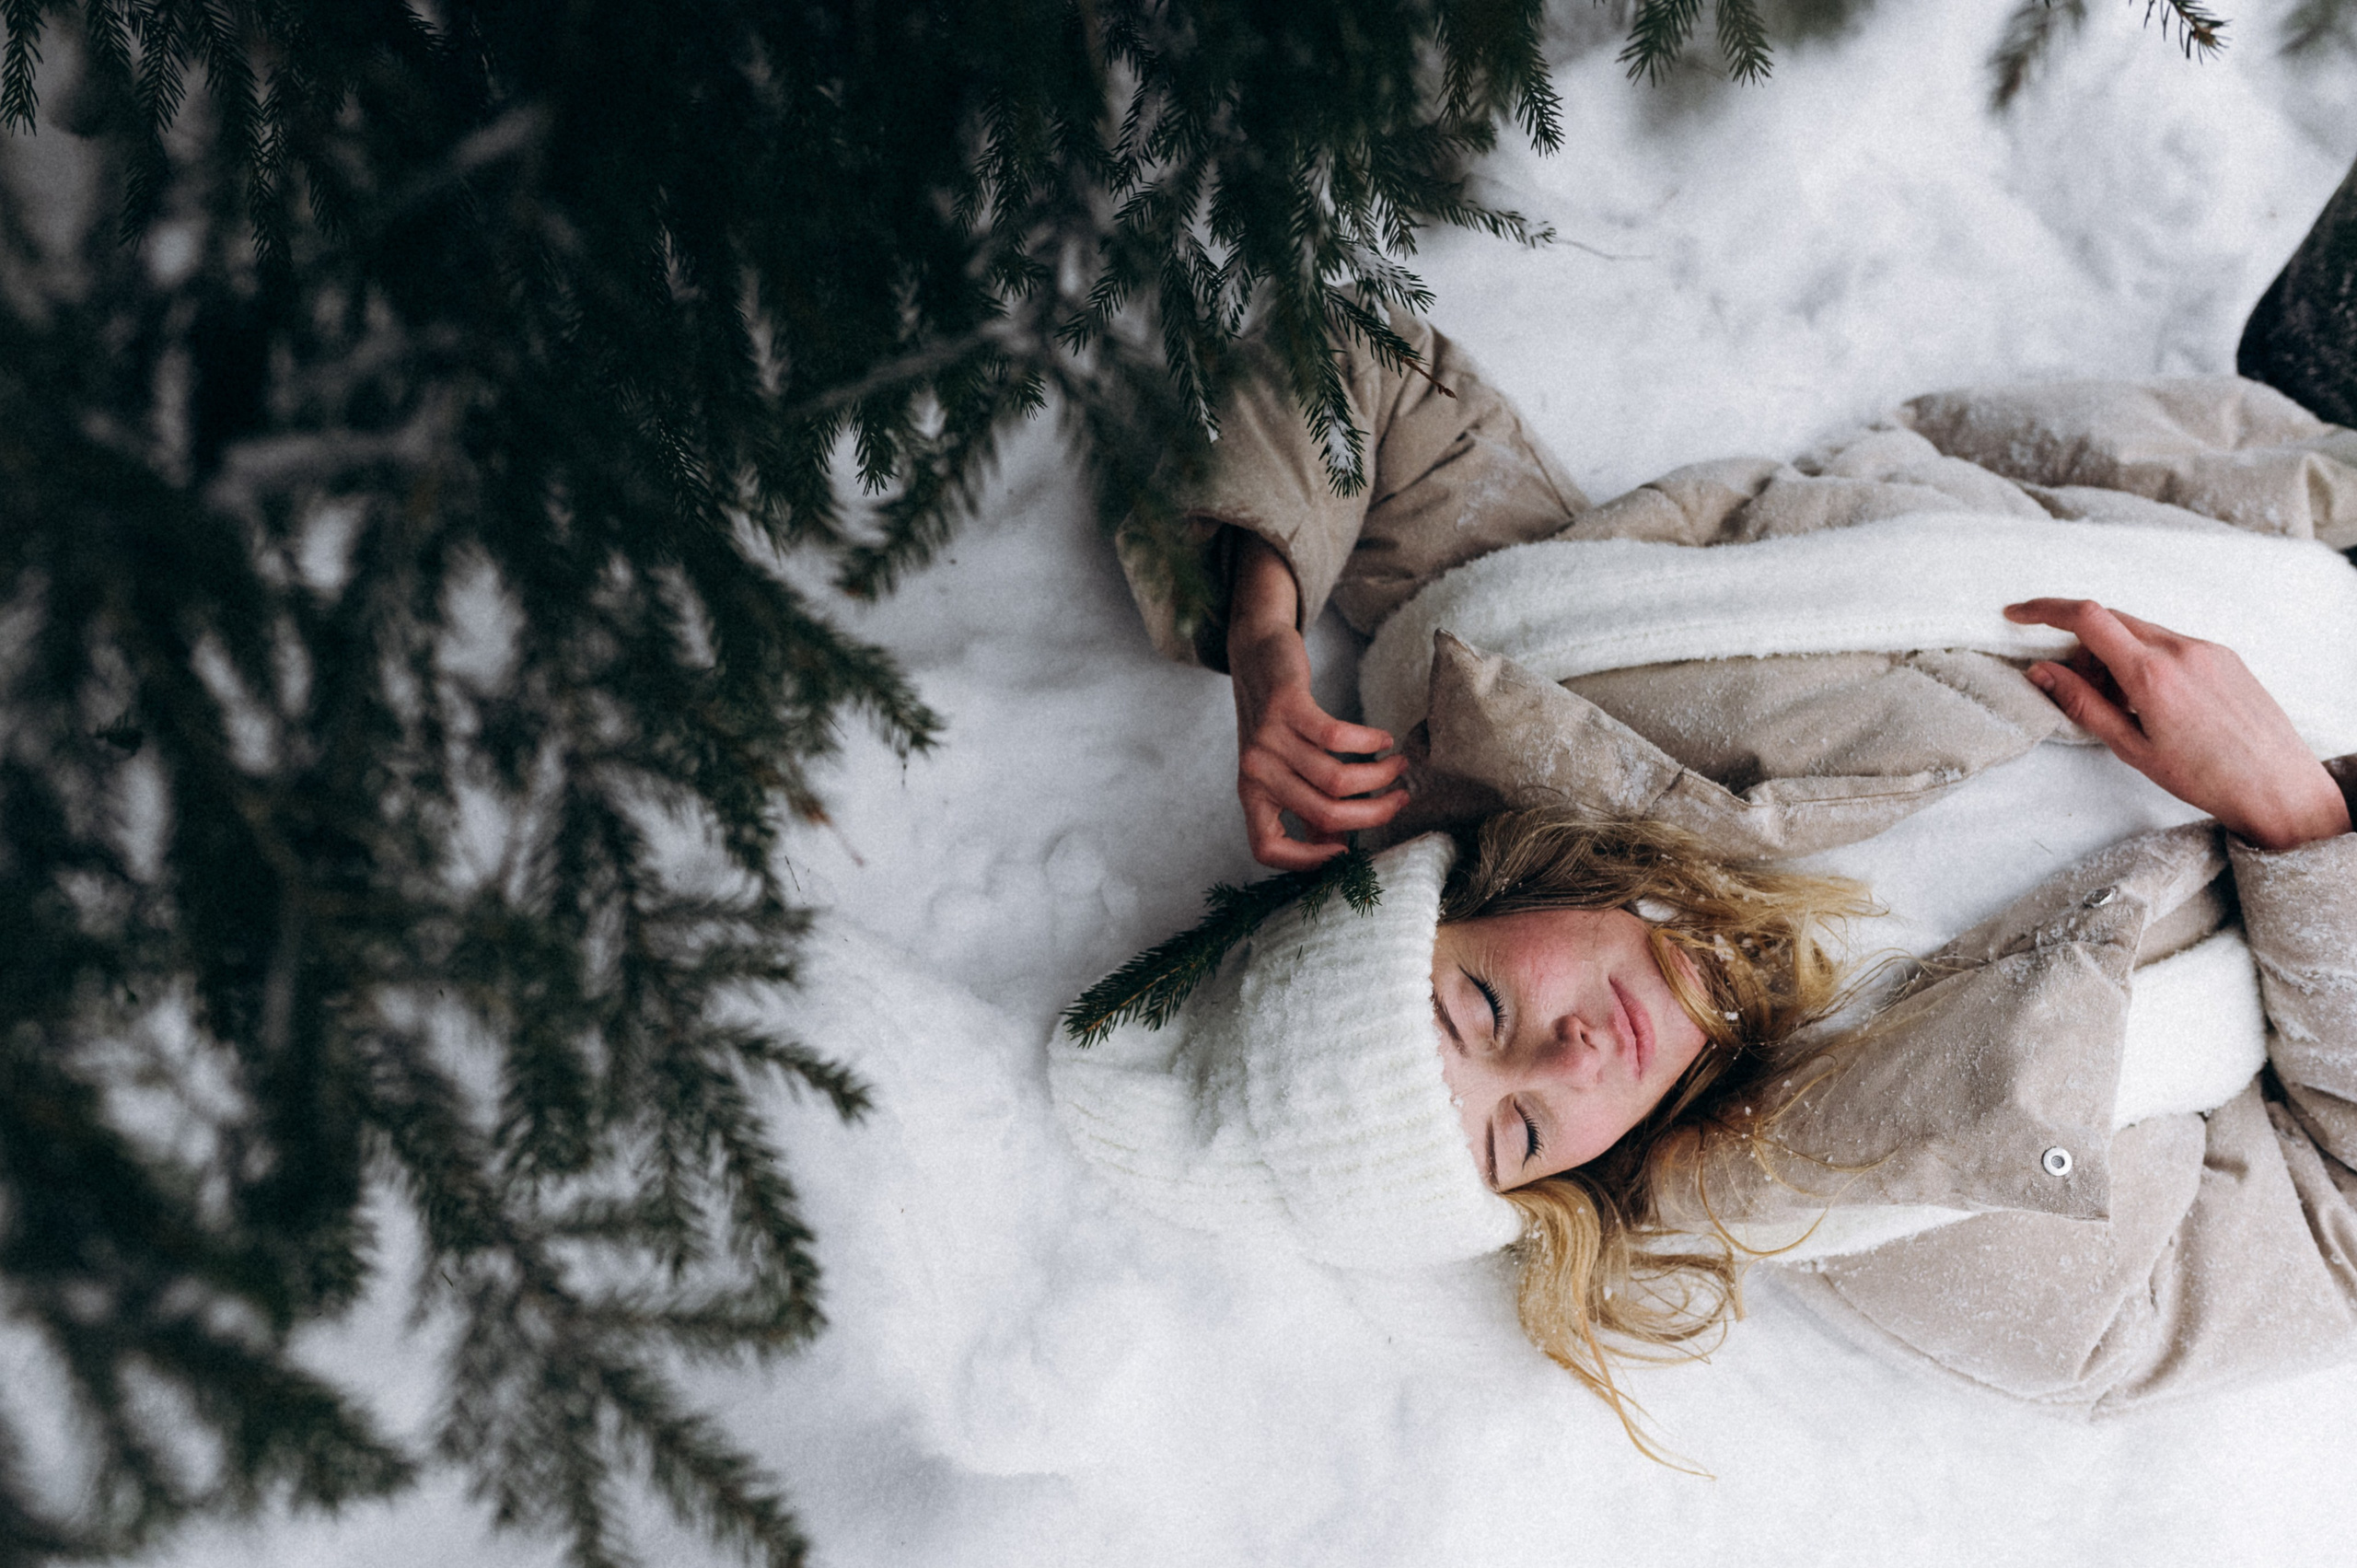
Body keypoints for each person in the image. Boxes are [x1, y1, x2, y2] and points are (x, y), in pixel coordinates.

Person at [1051, 308, 2357, 1434]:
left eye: (1484, 1007)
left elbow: (1351, 359)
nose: (1572, 1060)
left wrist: (1264, 635)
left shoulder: (1543, 680)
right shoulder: (1935, 1225)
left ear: (1457, 901)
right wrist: (2298, 824)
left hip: (2284, 469)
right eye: (1522, 1133)